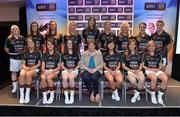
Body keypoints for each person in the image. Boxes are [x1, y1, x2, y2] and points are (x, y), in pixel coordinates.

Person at [143, 40, 168, 104]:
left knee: (165, 78)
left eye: (153, 46)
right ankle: (153, 95)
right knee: (154, 78)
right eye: (150, 46)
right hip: (148, 70)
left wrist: (158, 68)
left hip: (157, 70)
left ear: (155, 47)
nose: (152, 47)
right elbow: (142, 66)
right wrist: (150, 69)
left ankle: (159, 95)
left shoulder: (159, 55)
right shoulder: (144, 55)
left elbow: (160, 65)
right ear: (148, 47)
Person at [18, 37, 41, 103]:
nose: (30, 43)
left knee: (28, 74)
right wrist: (25, 68)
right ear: (27, 44)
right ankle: (22, 95)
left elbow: (39, 64)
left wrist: (32, 68)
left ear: (34, 43)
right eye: (29, 42)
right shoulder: (24, 52)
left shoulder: (38, 52)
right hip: (27, 68)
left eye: (32, 42)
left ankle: (27, 95)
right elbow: (23, 64)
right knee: (22, 74)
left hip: (35, 69)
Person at [4, 25, 26, 93]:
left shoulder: (22, 38)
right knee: (14, 72)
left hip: (22, 58)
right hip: (13, 58)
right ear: (11, 31)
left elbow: (26, 46)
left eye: (16, 29)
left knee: (23, 73)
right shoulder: (8, 39)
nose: (15, 30)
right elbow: (5, 48)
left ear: (18, 30)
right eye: (13, 29)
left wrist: (23, 51)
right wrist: (10, 52)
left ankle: (23, 86)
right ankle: (15, 87)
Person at [122, 39, 145, 103]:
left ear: (135, 46)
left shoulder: (139, 54)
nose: (131, 46)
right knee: (133, 81)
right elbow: (123, 66)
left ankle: (136, 95)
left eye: (133, 44)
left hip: (138, 70)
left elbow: (141, 65)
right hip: (129, 71)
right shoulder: (125, 54)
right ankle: (138, 92)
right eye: (130, 45)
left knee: (142, 79)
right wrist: (131, 70)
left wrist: (138, 70)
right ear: (128, 46)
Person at [41, 39, 61, 104]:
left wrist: (51, 71)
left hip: (54, 71)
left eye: (51, 44)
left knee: (49, 77)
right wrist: (44, 71)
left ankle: (51, 96)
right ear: (46, 46)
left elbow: (59, 67)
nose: (50, 46)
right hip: (46, 71)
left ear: (54, 45)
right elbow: (42, 66)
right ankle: (44, 96)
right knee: (43, 78)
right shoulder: (44, 54)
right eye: (48, 44)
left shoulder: (58, 54)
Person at [61, 39, 80, 104]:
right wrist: (67, 70)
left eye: (71, 43)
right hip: (66, 69)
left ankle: (71, 96)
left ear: (73, 45)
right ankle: (66, 96)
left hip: (74, 70)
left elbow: (79, 64)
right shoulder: (63, 54)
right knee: (65, 78)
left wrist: (73, 69)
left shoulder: (77, 53)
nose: (69, 45)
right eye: (68, 43)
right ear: (66, 45)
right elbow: (62, 65)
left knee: (71, 77)